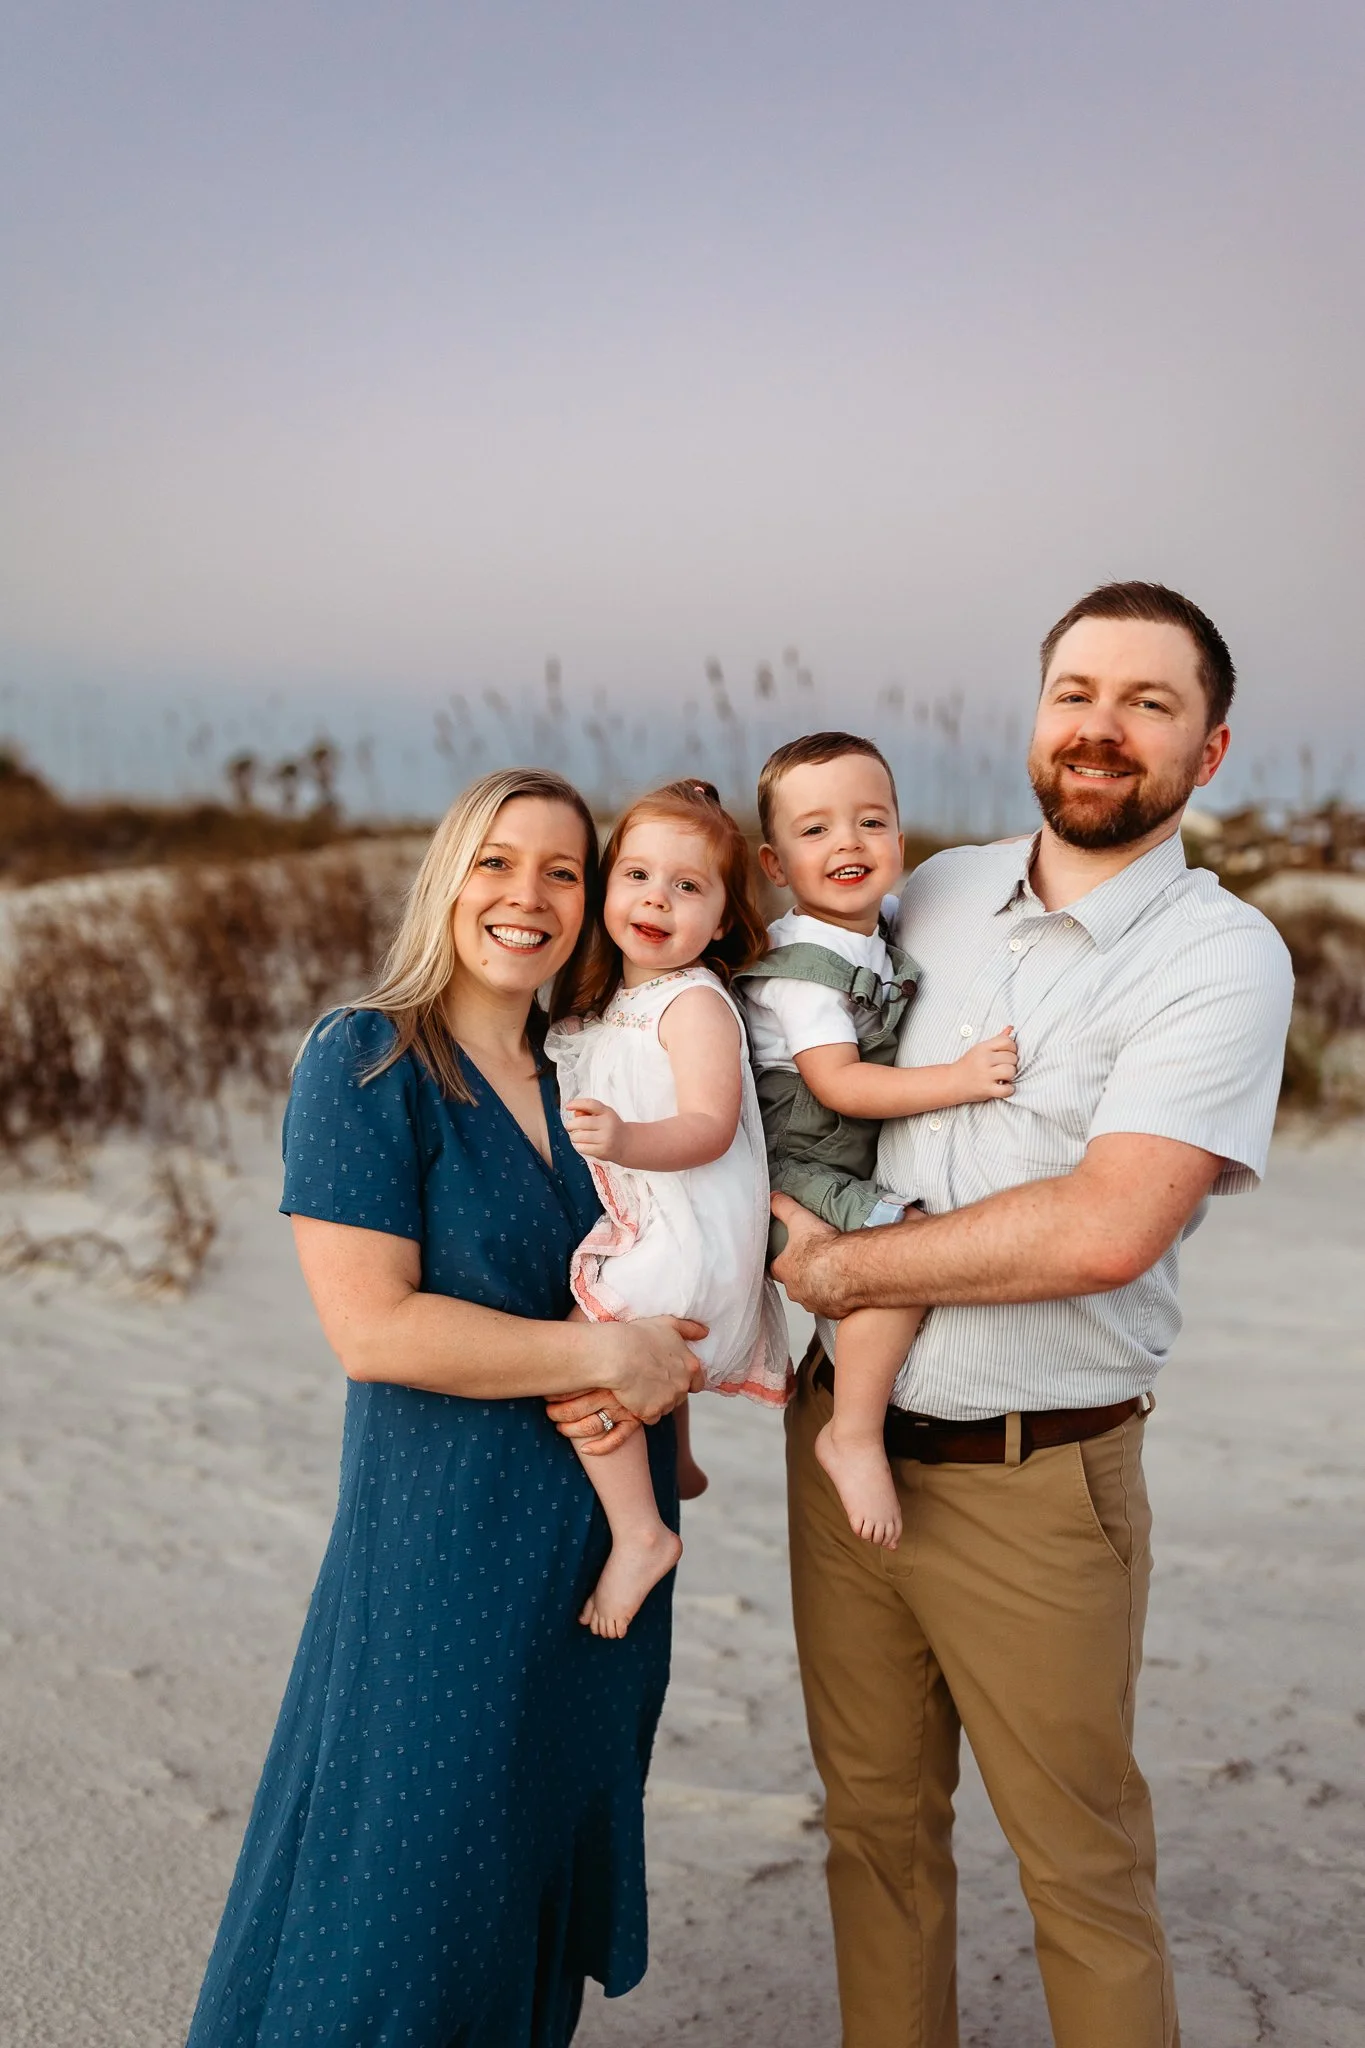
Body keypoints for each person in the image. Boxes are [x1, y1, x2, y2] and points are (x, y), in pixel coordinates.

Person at [771, 583, 1294, 2048]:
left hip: (1035, 1480)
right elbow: (778, 1054)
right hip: (839, 1453)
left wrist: (847, 1275)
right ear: (1036, 716)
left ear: (1212, 746)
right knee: (872, 1843)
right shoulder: (926, 892)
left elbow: (1109, 1223)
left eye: (1149, 703)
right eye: (1077, 693)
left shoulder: (1218, 955)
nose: (1102, 731)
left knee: (1083, 1877)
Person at [184, 768, 701, 2048]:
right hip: (443, 1548)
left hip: (595, 1553)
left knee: (528, 1881)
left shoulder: (590, 1076)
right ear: (446, 875)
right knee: (405, 1898)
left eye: (563, 872)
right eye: (496, 862)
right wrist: (606, 1359)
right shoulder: (368, 1057)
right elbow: (373, 1327)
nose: (528, 896)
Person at [738, 733, 1017, 1549]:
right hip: (793, 1165)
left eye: (871, 822)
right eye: (816, 830)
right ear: (775, 863)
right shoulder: (804, 970)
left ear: (899, 838)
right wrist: (960, 1079)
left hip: (827, 1162)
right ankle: (852, 1432)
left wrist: (1022, 852)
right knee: (900, 1260)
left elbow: (960, 880)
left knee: (889, 1259)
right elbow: (840, 1086)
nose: (848, 844)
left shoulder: (872, 925)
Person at [545, 779, 790, 1639]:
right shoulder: (615, 998)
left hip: (694, 1234)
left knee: (589, 1345)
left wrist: (625, 1140)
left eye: (688, 887)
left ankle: (640, 1533)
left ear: (723, 918)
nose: (657, 898)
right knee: (634, 1315)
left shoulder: (692, 1003)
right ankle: (677, 1457)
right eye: (639, 875)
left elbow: (709, 1126)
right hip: (666, 1220)